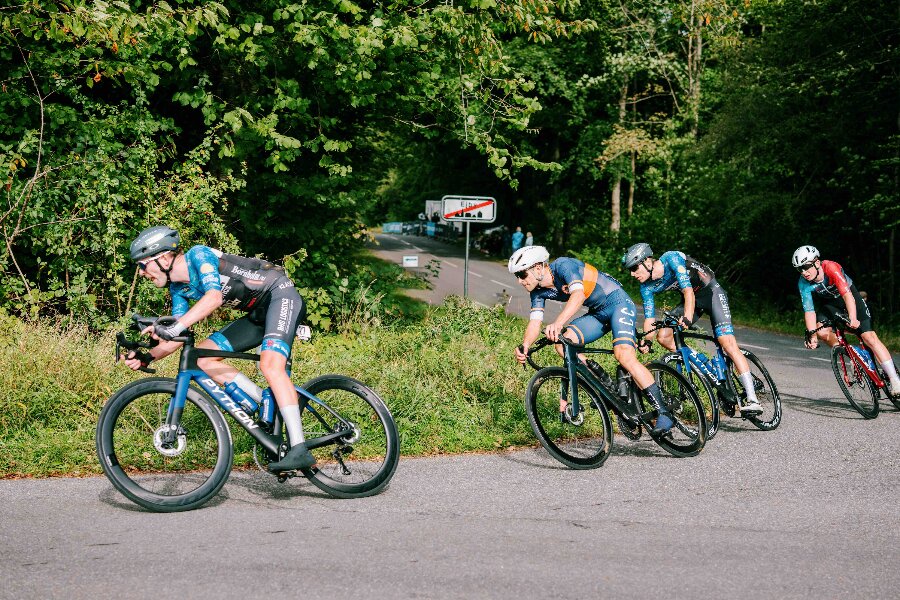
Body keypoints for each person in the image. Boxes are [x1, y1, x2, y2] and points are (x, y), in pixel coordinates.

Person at [123, 225, 316, 472]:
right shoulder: (178, 288)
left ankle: (299, 448)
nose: (141, 273)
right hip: (258, 315)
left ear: (162, 258)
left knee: (270, 364)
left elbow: (213, 297)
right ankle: (265, 401)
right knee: (202, 358)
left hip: (281, 296)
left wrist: (176, 325)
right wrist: (147, 356)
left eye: (142, 265)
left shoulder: (198, 255)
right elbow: (178, 334)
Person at [510, 245, 675, 434]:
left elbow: (578, 295)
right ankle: (602, 381)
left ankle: (664, 412)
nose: (520, 281)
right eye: (517, 276)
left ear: (538, 268)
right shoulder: (537, 292)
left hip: (618, 303)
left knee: (624, 356)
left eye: (522, 274)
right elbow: (534, 322)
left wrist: (557, 323)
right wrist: (525, 345)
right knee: (563, 344)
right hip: (598, 313)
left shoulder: (563, 266)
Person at [622, 243, 763, 415]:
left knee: (727, 344)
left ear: (647, 261)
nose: (632, 273)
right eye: (630, 269)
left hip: (711, 293)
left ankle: (753, 399)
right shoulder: (646, 287)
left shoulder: (671, 258)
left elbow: (688, 291)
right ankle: (700, 362)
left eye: (635, 268)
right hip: (693, 301)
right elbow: (650, 318)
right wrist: (647, 341)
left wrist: (687, 318)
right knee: (663, 336)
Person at [792, 245, 900, 394]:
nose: (804, 272)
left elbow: (847, 295)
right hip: (830, 305)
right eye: (800, 269)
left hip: (850, 298)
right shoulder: (803, 283)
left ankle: (895, 380)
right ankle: (853, 355)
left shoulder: (831, 267)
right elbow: (809, 311)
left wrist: (853, 318)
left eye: (805, 267)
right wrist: (812, 335)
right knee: (822, 332)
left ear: (817, 263)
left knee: (869, 337)